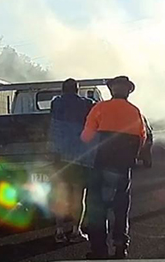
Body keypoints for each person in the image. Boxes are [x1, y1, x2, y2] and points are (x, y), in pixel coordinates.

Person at [81, 75, 147, 259]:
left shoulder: (99, 108)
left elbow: (86, 138)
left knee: (96, 208)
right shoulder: (135, 112)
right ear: (128, 91)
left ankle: (99, 249)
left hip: (100, 166)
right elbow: (142, 140)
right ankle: (120, 247)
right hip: (122, 169)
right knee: (120, 209)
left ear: (111, 90)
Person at [49, 78, 95, 244]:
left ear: (62, 90)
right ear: (77, 89)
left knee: (60, 194)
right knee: (78, 195)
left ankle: (59, 231)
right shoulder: (87, 103)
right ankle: (76, 231)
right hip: (80, 156)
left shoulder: (56, 103)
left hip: (59, 156)